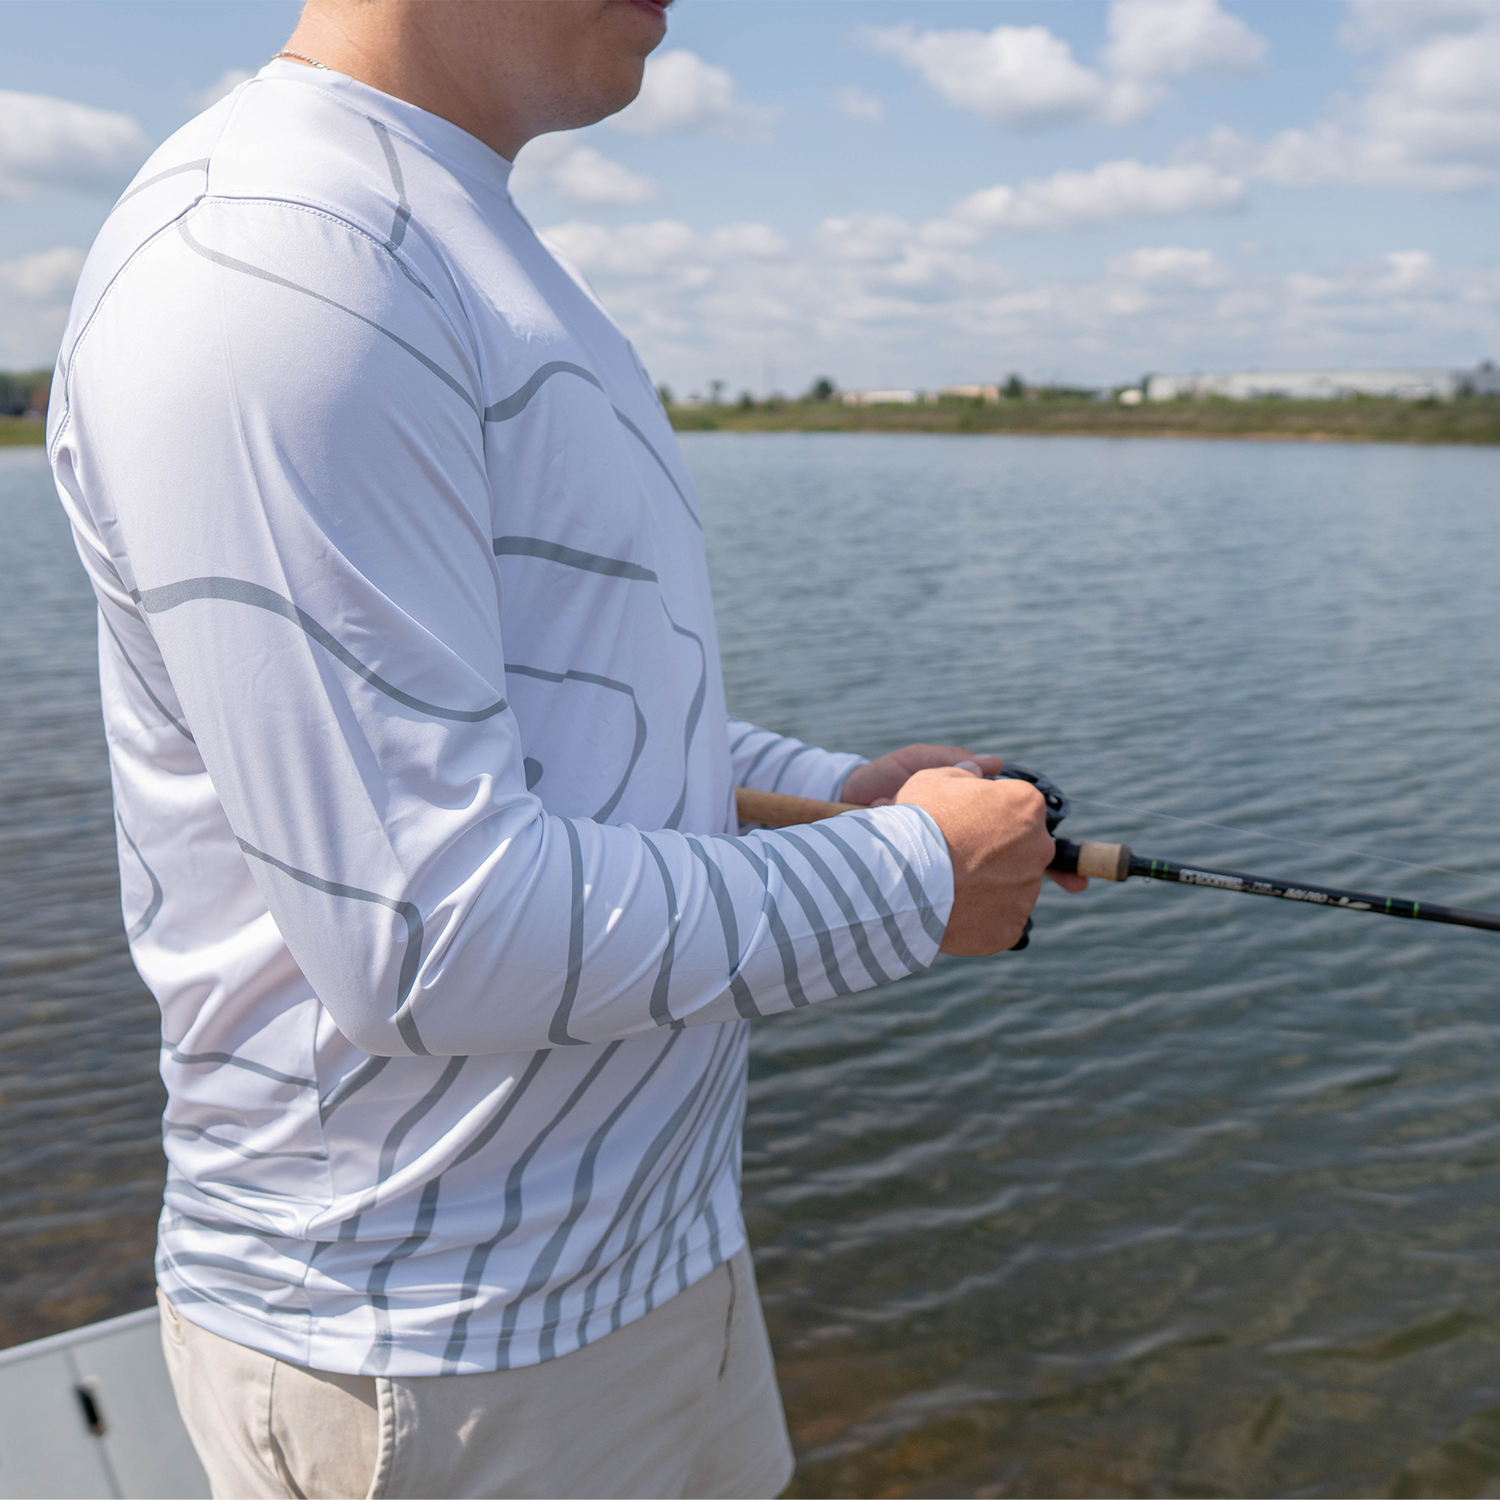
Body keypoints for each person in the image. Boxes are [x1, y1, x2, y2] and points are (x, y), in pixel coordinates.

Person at [48, 2, 1084, 1495]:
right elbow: (429, 930)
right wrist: (912, 881)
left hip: (638, 1283)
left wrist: (837, 798)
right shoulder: (277, 265)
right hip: (431, 1352)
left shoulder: (440, 230)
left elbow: (554, 711)